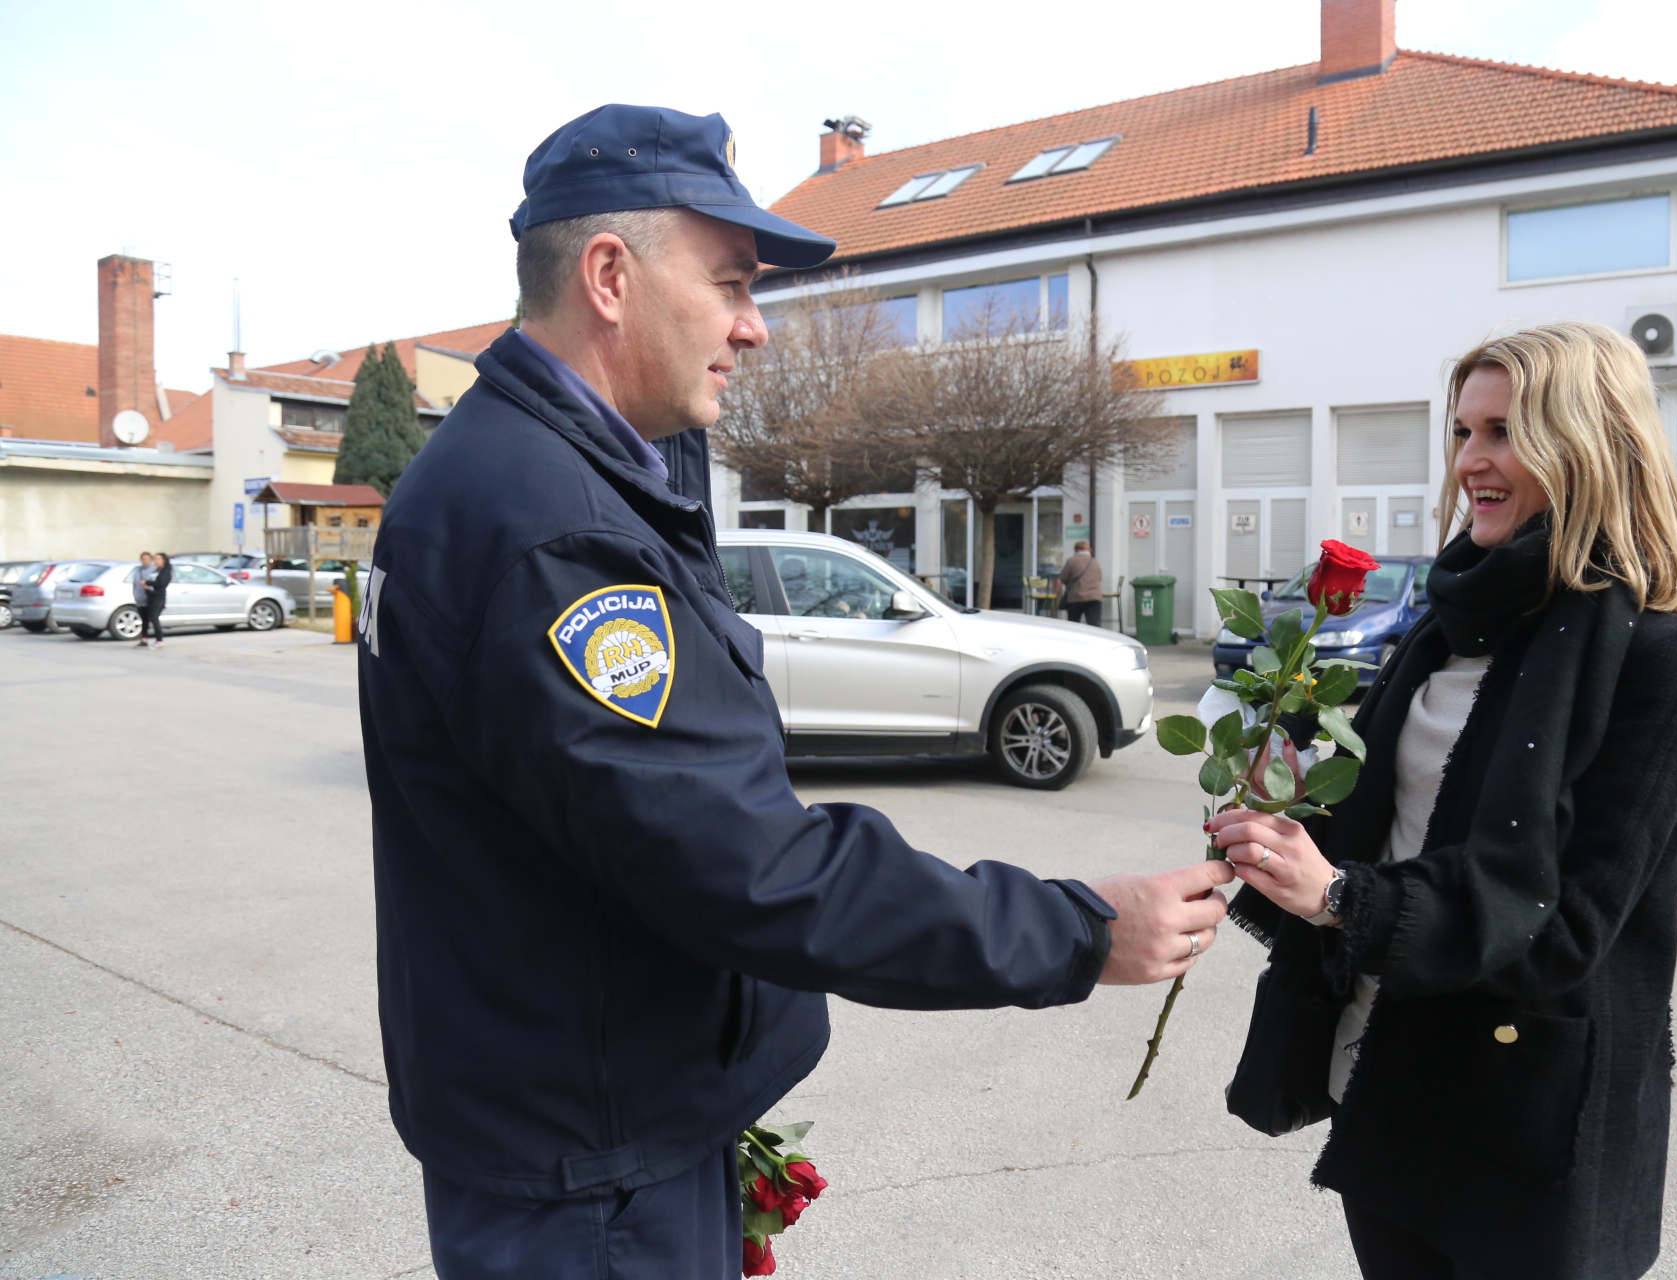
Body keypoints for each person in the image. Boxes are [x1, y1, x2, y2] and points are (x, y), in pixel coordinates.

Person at [357, 104, 1233, 1280]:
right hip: (592, 1159)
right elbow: (742, 865)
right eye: (728, 283)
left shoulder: (547, 473)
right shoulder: (553, 527)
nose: (755, 327)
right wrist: (1076, 928)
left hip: (581, 1105)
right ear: (610, 276)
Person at [1211, 321, 1677, 1280]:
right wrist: (1283, 821)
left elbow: (1567, 932)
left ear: (1588, 444)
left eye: (1503, 431)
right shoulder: (1444, 628)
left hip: (1522, 1115)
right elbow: (1393, 830)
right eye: (1462, 432)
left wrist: (1339, 899)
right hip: (1385, 1069)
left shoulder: (1656, 661)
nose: (1470, 461)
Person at [1057, 540, 1103, 626]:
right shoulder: (1094, 561)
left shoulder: (1071, 561)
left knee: (1074, 624)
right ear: (1089, 550)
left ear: (1076, 550)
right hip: (1094, 597)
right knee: (1094, 624)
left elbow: (1063, 578)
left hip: (1076, 597)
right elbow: (1099, 578)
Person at [143, 552, 171, 649]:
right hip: (151, 596)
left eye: (158, 559)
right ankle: (154, 640)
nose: (156, 561)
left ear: (164, 560)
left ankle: (159, 641)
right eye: (155, 559)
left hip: (159, 597)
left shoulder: (166, 571)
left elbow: (161, 583)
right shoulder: (156, 570)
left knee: (154, 618)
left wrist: (147, 582)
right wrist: (147, 587)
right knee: (152, 618)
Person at [132, 552, 155, 647]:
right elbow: (135, 584)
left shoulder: (155, 569)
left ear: (151, 559)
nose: (145, 561)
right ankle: (144, 639)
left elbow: (156, 583)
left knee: (153, 619)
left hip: (151, 598)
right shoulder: (138, 570)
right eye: (143, 559)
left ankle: (158, 640)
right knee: (144, 620)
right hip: (140, 598)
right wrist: (136, 595)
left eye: (147, 559)